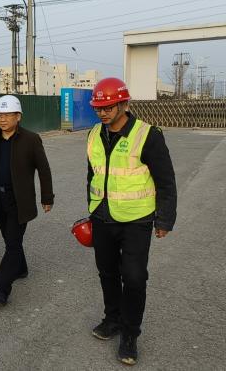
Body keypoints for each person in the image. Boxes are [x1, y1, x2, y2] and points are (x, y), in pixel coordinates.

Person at [86, 77, 177, 366]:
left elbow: (166, 180)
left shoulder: (148, 135)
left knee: (135, 277)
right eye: (98, 107)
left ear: (124, 104)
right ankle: (112, 319)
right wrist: (92, 209)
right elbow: (93, 174)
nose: (102, 113)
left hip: (137, 220)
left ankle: (130, 334)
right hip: (102, 217)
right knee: (107, 272)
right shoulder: (94, 134)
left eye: (108, 107)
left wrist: (164, 219)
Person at [0, 95, 54, 306]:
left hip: (20, 201)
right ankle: (21, 268)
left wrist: (47, 197)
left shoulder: (31, 139)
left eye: (8, 115)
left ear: (18, 116)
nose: (3, 119)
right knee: (11, 240)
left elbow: (44, 170)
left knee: (13, 245)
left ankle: (2, 289)